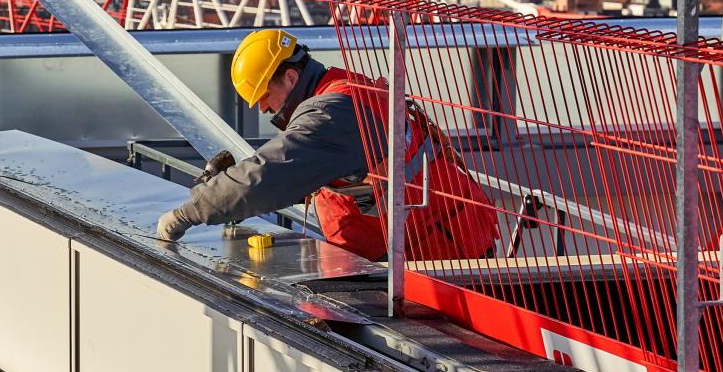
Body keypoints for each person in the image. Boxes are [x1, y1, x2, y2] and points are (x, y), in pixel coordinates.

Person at [154, 29, 496, 262]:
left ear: (290, 77)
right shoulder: (339, 91)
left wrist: (190, 211)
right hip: (433, 242)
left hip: (438, 256)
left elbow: (270, 176)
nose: (262, 108)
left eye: (264, 96)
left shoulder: (334, 112)